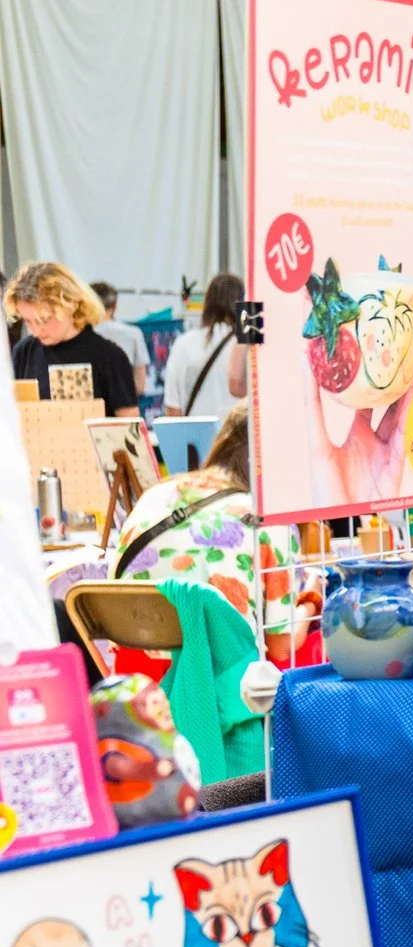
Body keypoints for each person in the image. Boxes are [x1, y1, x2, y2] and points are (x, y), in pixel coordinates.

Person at [109, 406, 306, 664]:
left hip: (137, 687)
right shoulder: (269, 520)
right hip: (221, 690)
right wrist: (311, 602)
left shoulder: (156, 496)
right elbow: (282, 645)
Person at [8, 264, 139, 415]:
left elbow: (129, 427)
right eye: (28, 321)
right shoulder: (24, 352)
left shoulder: (110, 357)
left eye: (44, 319)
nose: (36, 331)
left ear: (70, 305)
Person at [160, 273, 244, 419]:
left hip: (195, 440)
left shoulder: (183, 344)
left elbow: (173, 409)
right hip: (238, 439)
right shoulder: (246, 347)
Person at [88, 283, 150, 395]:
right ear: (115, 304)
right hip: (126, 404)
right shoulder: (133, 334)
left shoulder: (80, 336)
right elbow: (140, 386)